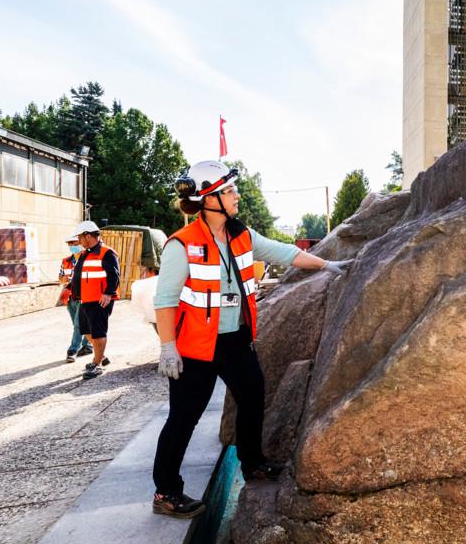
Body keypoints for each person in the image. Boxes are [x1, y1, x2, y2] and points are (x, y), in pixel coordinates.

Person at [150, 160, 350, 518]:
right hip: (195, 346)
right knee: (184, 417)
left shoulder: (242, 234)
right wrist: (168, 347)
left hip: (234, 339)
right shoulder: (182, 245)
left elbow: (283, 252)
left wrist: (326, 265)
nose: (236, 195)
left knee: (252, 395)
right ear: (208, 198)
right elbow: (164, 300)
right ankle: (166, 492)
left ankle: (252, 463)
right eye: (228, 191)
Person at [69, 220, 119, 379]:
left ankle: (97, 364)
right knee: (86, 330)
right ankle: (101, 356)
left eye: (80, 237)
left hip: (99, 300)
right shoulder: (86, 253)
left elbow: (114, 274)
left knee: (97, 332)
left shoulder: (106, 253)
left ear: (88, 236)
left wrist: (108, 293)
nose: (79, 241)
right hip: (85, 299)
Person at [58, 233, 92, 363]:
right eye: (70, 244)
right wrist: (63, 279)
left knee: (78, 324)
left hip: (83, 295)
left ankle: (72, 350)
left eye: (75, 243)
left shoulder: (87, 259)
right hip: (70, 296)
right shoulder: (65, 261)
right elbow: (60, 277)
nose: (72, 246)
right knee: (76, 324)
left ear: (81, 244)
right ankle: (88, 345)